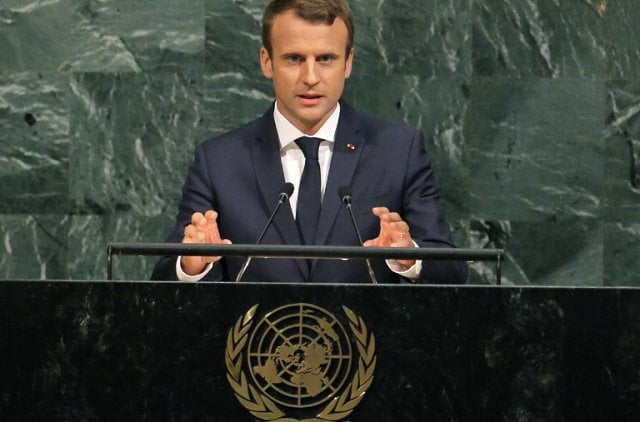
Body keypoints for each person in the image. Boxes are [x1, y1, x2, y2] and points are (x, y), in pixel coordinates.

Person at [151, 0, 467, 284]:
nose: (311, 77)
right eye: (294, 58)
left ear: (348, 63)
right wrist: (191, 264)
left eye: (326, 58)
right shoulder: (220, 160)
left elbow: (452, 271)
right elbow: (162, 279)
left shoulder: (398, 151)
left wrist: (408, 255)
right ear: (266, 62)